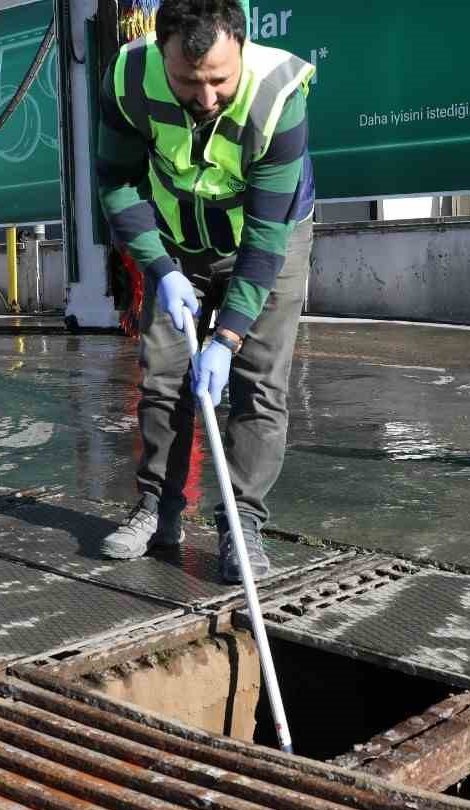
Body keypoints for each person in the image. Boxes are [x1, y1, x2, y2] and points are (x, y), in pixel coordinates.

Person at [95, 0, 315, 582]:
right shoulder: (128, 78)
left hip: (269, 242)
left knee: (258, 385)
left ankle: (241, 522)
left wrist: (228, 335)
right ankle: (157, 509)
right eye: (188, 81)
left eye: (219, 78)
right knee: (164, 376)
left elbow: (267, 237)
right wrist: (160, 269)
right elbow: (116, 182)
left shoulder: (277, 98)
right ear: (162, 50)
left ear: (241, 47)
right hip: (175, 243)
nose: (207, 96)